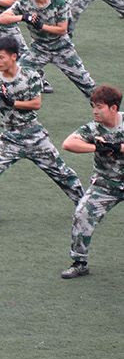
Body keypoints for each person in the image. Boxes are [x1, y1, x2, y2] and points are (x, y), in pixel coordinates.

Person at [0, 36, 82, 225]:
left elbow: (36, 104)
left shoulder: (30, 75)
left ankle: (83, 206)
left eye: (1, 57)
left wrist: (12, 102)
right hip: (10, 138)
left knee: (62, 173)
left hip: (35, 136)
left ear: (14, 56)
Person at [60, 85, 124, 280]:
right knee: (81, 215)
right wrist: (97, 147)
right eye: (93, 106)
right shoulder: (93, 128)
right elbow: (68, 143)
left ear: (113, 108)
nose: (95, 111)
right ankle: (79, 263)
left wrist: (116, 147)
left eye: (99, 107)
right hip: (106, 185)